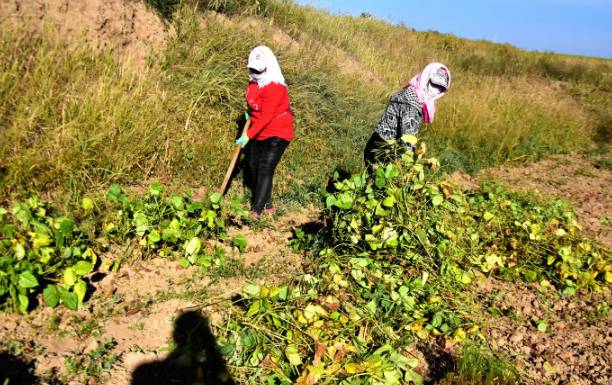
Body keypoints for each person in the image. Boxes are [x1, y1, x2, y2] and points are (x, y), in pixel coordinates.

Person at [235, 46, 294, 218]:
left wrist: (248, 135)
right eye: (253, 69)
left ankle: (256, 210)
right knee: (253, 166)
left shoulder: (275, 86)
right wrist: (249, 112)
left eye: (259, 70)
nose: (255, 72)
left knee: (265, 168)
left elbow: (266, 115)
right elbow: (253, 103)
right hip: (261, 130)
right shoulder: (253, 82)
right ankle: (268, 205)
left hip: (278, 132)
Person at [364, 62, 451, 168]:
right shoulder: (412, 104)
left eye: (440, 87)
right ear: (425, 77)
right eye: (433, 84)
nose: (435, 90)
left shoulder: (411, 90)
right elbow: (407, 142)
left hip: (377, 146)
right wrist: (420, 164)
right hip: (382, 154)